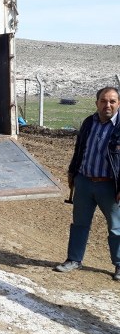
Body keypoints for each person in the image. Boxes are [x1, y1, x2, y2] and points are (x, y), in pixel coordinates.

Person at [54, 87, 120, 281]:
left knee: (116, 227)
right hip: (84, 181)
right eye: (103, 101)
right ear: (96, 102)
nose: (107, 105)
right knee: (80, 224)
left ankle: (118, 264)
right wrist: (73, 173)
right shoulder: (89, 122)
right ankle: (74, 259)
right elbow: (79, 149)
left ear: (118, 103)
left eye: (112, 101)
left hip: (110, 186)